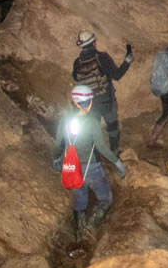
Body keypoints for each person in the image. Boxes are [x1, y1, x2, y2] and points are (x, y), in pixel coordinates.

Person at [53, 85, 127, 240]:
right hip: (92, 169)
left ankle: (80, 235)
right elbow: (101, 147)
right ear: (88, 102)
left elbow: (59, 144)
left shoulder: (65, 120)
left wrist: (56, 160)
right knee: (105, 198)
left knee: (80, 203)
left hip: (73, 168)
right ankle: (92, 225)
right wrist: (117, 162)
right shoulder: (92, 122)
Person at [71, 30, 133, 153]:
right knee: (112, 126)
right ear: (94, 43)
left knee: (93, 129)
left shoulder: (77, 63)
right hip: (106, 100)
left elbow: (76, 78)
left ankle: (94, 157)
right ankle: (114, 152)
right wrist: (127, 62)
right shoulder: (102, 57)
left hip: (88, 103)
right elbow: (117, 75)